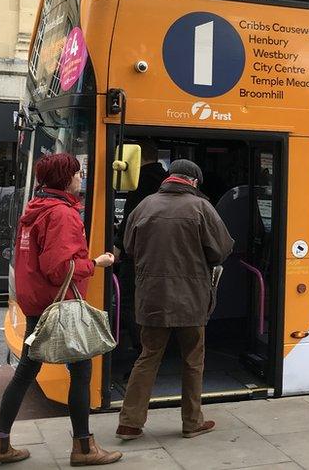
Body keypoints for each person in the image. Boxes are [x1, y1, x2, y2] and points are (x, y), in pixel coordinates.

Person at [0, 153, 122, 468]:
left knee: (25, 373)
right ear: (65, 178)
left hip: (38, 305)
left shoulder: (35, 210)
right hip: (59, 306)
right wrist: (97, 263)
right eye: (76, 173)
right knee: (81, 372)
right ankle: (84, 448)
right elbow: (60, 268)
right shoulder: (62, 214)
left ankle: (0, 444)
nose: (80, 178)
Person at [115, 160, 234, 441]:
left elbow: (129, 247)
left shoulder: (144, 205)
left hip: (151, 297)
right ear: (193, 181)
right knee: (193, 360)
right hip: (190, 300)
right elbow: (221, 250)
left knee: (147, 357)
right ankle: (192, 422)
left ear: (170, 178)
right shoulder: (202, 208)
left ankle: (130, 423)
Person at [114, 141, 167, 361]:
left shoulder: (142, 181)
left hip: (138, 257)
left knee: (130, 302)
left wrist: (118, 247)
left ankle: (142, 351)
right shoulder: (163, 180)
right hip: (161, 255)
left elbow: (131, 220)